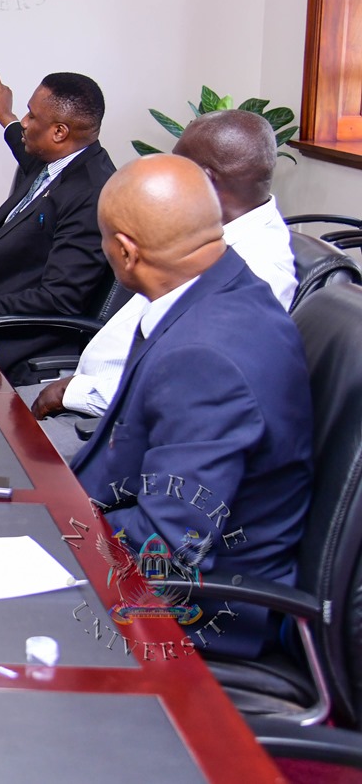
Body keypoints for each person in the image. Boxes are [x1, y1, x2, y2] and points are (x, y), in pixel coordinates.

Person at [71, 154, 312, 659]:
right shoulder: (223, 288)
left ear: (125, 252)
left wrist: (51, 537)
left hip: (201, 613)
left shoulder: (204, 357)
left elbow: (166, 543)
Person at [29, 111, 295, 451]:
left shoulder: (258, 269)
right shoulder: (209, 235)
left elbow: (189, 395)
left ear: (203, 181)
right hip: (90, 395)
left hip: (110, 426)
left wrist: (76, 392)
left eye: (177, 168)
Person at [0, 66, 116, 383]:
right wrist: (6, 115)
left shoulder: (91, 194)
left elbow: (61, 296)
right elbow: (22, 144)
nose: (24, 124)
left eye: (31, 116)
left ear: (59, 132)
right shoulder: (57, 160)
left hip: (11, 340)